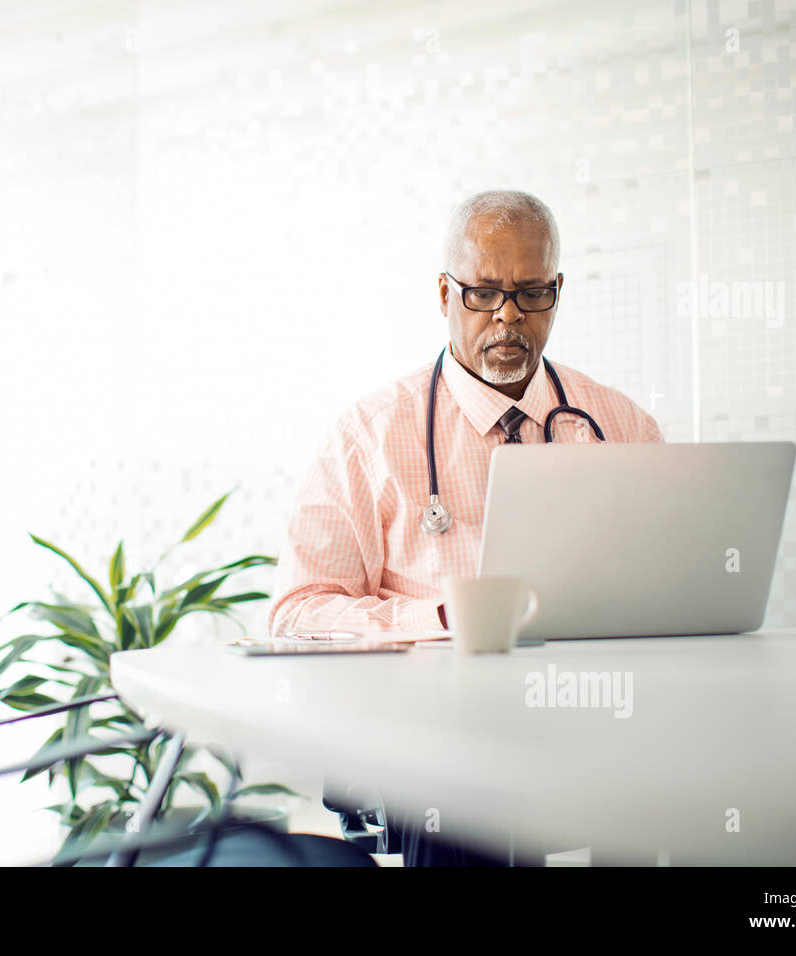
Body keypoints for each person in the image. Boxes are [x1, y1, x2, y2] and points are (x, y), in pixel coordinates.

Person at [267, 189, 665, 865]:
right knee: (462, 805)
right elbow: (297, 612)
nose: (508, 316)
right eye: (483, 293)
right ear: (445, 293)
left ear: (557, 292)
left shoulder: (621, 427)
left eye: (531, 293)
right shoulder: (367, 436)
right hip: (436, 745)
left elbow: (671, 590)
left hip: (593, 726)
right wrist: (445, 617)